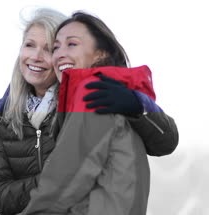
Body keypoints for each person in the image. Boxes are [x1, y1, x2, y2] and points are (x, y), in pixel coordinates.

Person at [0, 8, 178, 215]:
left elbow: (166, 142)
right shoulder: (3, 113)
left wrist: (138, 105)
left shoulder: (93, 96)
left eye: (49, 48)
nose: (36, 57)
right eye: (30, 45)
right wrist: (53, 180)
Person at [20, 11, 158, 214]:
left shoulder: (95, 92)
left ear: (100, 53)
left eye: (72, 44)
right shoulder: (114, 90)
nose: (60, 53)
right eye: (56, 47)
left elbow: (65, 178)